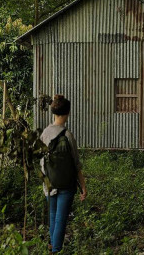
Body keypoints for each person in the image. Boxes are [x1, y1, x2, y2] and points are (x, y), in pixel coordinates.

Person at [40, 95, 87, 253]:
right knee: (61, 219)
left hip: (49, 183)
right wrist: (83, 187)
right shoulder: (68, 135)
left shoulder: (45, 133)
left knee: (53, 216)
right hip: (67, 185)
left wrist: (46, 182)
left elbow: (41, 163)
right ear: (68, 113)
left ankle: (53, 247)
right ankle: (56, 250)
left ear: (54, 112)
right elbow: (76, 164)